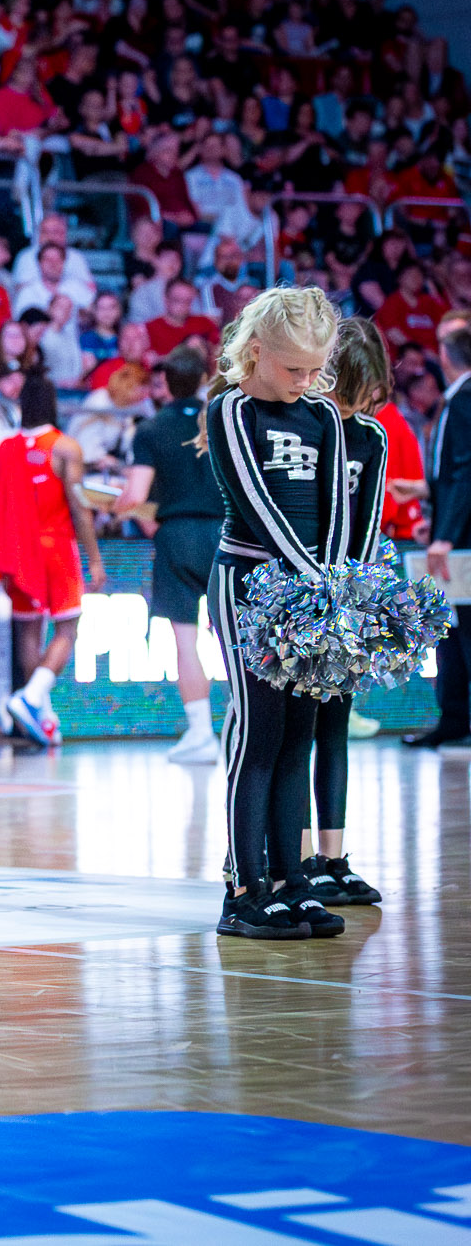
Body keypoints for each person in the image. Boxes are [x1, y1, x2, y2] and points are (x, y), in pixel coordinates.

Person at [202, 287, 350, 941]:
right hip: (247, 585)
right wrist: (313, 574)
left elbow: (335, 510)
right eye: (294, 369)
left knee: (300, 734)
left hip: (313, 591)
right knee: (259, 732)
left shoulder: (322, 413)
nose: (308, 382)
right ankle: (245, 888)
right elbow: (256, 505)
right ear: (256, 350)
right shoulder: (230, 408)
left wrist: (338, 579)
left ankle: (293, 882)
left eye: (316, 369)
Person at [301, 320, 391, 910]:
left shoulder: (371, 437)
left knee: (334, 729)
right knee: (292, 735)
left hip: (344, 597)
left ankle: (333, 858)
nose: (355, 406)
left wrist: (357, 599)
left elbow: (370, 522)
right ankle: (296, 857)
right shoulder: (300, 424)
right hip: (293, 592)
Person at [0, 372, 108, 748]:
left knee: (28, 631)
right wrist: (95, 559)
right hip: (55, 547)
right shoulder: (64, 447)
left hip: (17, 551)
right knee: (68, 628)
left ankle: (43, 714)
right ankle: (31, 697)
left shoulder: (4, 448)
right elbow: (79, 507)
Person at [115, 347, 224, 764]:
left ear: (164, 384)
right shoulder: (222, 421)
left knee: (185, 639)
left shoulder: (151, 429)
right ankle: (243, 720)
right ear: (203, 379)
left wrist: (115, 501)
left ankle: (201, 734)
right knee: (232, 636)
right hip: (224, 534)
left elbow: (136, 497)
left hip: (175, 535)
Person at [409, 318, 471, 747]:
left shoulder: (464, 400)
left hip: (463, 539)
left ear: (445, 356)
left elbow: (465, 473)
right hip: (455, 528)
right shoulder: (458, 399)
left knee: (463, 629)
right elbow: (452, 476)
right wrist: (438, 513)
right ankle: (453, 720)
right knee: (453, 628)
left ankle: (455, 720)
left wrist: (447, 533)